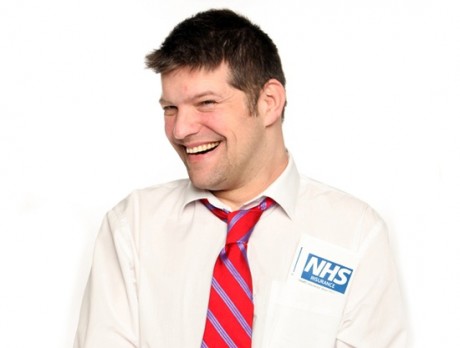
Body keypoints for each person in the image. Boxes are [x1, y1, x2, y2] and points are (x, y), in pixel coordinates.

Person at [74, 8, 407, 348]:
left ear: (269, 102)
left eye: (205, 102)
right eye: (170, 108)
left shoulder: (354, 234)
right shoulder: (134, 225)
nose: (180, 129)